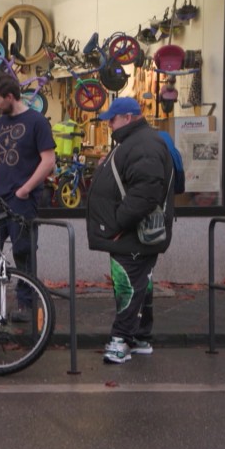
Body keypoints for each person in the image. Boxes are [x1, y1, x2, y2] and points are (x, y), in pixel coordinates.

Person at [86, 97, 175, 364]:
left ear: (127, 117)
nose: (109, 125)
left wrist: (118, 223)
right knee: (140, 284)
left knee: (127, 285)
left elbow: (146, 193)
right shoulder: (136, 142)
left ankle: (120, 340)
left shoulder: (143, 144)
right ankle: (140, 338)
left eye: (112, 120)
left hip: (131, 235)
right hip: (130, 234)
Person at [0, 73, 56, 321]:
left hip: (21, 200)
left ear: (10, 97)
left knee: (24, 252)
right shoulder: (0, 123)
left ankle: (26, 306)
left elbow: (48, 161)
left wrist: (25, 189)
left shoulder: (37, 122)